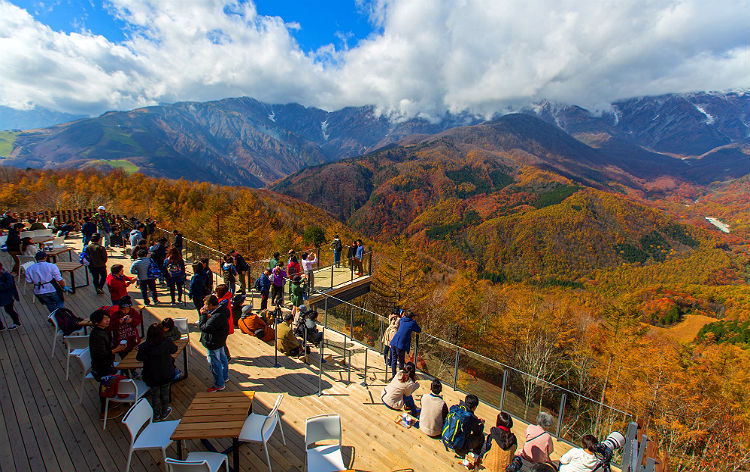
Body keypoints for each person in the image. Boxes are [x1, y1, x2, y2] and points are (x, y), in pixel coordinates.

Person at [89, 308, 127, 417]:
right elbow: (101, 354)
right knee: (105, 387)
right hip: (102, 367)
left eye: (107, 318)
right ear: (96, 322)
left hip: (105, 364)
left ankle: (110, 401)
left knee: (107, 385)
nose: (108, 320)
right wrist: (117, 349)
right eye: (104, 319)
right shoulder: (97, 335)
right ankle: (104, 412)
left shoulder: (102, 330)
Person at [137, 323, 177, 421]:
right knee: (165, 392)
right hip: (166, 372)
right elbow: (174, 349)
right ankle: (164, 410)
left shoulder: (144, 346)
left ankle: (156, 414)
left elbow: (139, 358)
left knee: (155, 394)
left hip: (152, 374)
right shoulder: (166, 342)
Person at [199, 295, 230, 392]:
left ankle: (219, 384)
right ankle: (225, 377)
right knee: (222, 358)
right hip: (220, 340)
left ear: (211, 305)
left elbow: (204, 327)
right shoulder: (224, 310)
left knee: (215, 363)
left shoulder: (216, 316)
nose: (205, 308)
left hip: (213, 341)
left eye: (206, 306)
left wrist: (203, 315)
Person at [452, 394, 486, 460]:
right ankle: (474, 455)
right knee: (481, 437)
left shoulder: (457, 408)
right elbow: (478, 432)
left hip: (450, 438)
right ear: (475, 407)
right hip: (459, 445)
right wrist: (481, 424)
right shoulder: (471, 418)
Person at [389, 311, 422, 377]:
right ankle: (401, 375)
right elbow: (419, 330)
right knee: (401, 361)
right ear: (412, 317)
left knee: (394, 359)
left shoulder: (402, 320)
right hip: (401, 344)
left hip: (394, 341)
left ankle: (393, 375)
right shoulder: (412, 323)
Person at [214, 284, 235, 361]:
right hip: (225, 323)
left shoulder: (223, 301)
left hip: (224, 324)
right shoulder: (226, 299)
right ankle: (225, 355)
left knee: (222, 342)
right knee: (222, 342)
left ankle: (226, 356)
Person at [0, 262, 21, 330]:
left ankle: (17, 322)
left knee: (9, 310)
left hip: (7, 296)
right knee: (9, 310)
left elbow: (8, 285)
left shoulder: (7, 275)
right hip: (4, 295)